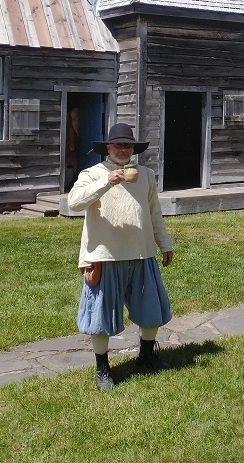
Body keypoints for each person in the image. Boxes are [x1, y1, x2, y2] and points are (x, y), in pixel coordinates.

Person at [67, 123, 174, 391]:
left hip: (142, 252)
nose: (123, 150)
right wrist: (108, 181)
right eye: (118, 145)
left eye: (128, 145)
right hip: (105, 255)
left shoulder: (146, 175)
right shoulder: (92, 174)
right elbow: (74, 202)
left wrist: (164, 244)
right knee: (100, 317)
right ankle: (102, 368)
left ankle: (146, 355)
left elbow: (154, 213)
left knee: (152, 310)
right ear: (108, 148)